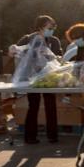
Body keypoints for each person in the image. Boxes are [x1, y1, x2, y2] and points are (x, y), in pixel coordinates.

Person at [16, 15, 63, 144]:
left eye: (54, 27)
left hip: (49, 78)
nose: (52, 29)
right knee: (33, 106)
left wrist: (58, 59)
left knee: (51, 105)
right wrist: (13, 49)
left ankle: (53, 136)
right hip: (32, 79)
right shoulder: (27, 39)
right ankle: (30, 137)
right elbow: (16, 51)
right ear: (41, 27)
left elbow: (58, 56)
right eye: (50, 27)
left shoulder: (54, 41)